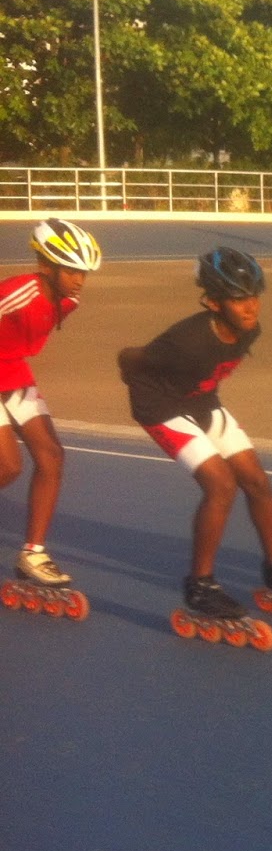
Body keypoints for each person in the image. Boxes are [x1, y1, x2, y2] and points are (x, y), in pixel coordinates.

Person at [118, 246, 272, 621]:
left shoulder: (250, 330)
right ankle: (200, 585)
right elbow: (131, 358)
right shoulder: (185, 341)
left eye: (254, 296)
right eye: (238, 299)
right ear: (214, 303)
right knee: (220, 485)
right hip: (160, 407)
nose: (251, 307)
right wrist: (135, 383)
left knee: (257, 480)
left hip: (202, 402)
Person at [0, 218, 101, 592]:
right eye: (72, 271)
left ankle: (33, 554)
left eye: (83, 272)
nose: (79, 280)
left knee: (52, 457)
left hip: (12, 371)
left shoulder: (68, 301)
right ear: (45, 265)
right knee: (9, 466)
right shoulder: (17, 292)